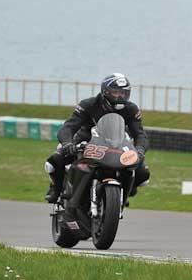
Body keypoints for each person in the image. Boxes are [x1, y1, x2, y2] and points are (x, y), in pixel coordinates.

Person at [44, 73, 150, 203]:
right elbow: (68, 127)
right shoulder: (89, 104)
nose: (120, 96)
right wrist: (67, 143)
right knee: (54, 161)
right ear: (105, 91)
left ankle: (124, 193)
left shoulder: (131, 109)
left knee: (143, 173)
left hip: (117, 143)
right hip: (87, 140)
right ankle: (56, 188)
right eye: (115, 92)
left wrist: (139, 150)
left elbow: (140, 134)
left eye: (124, 92)